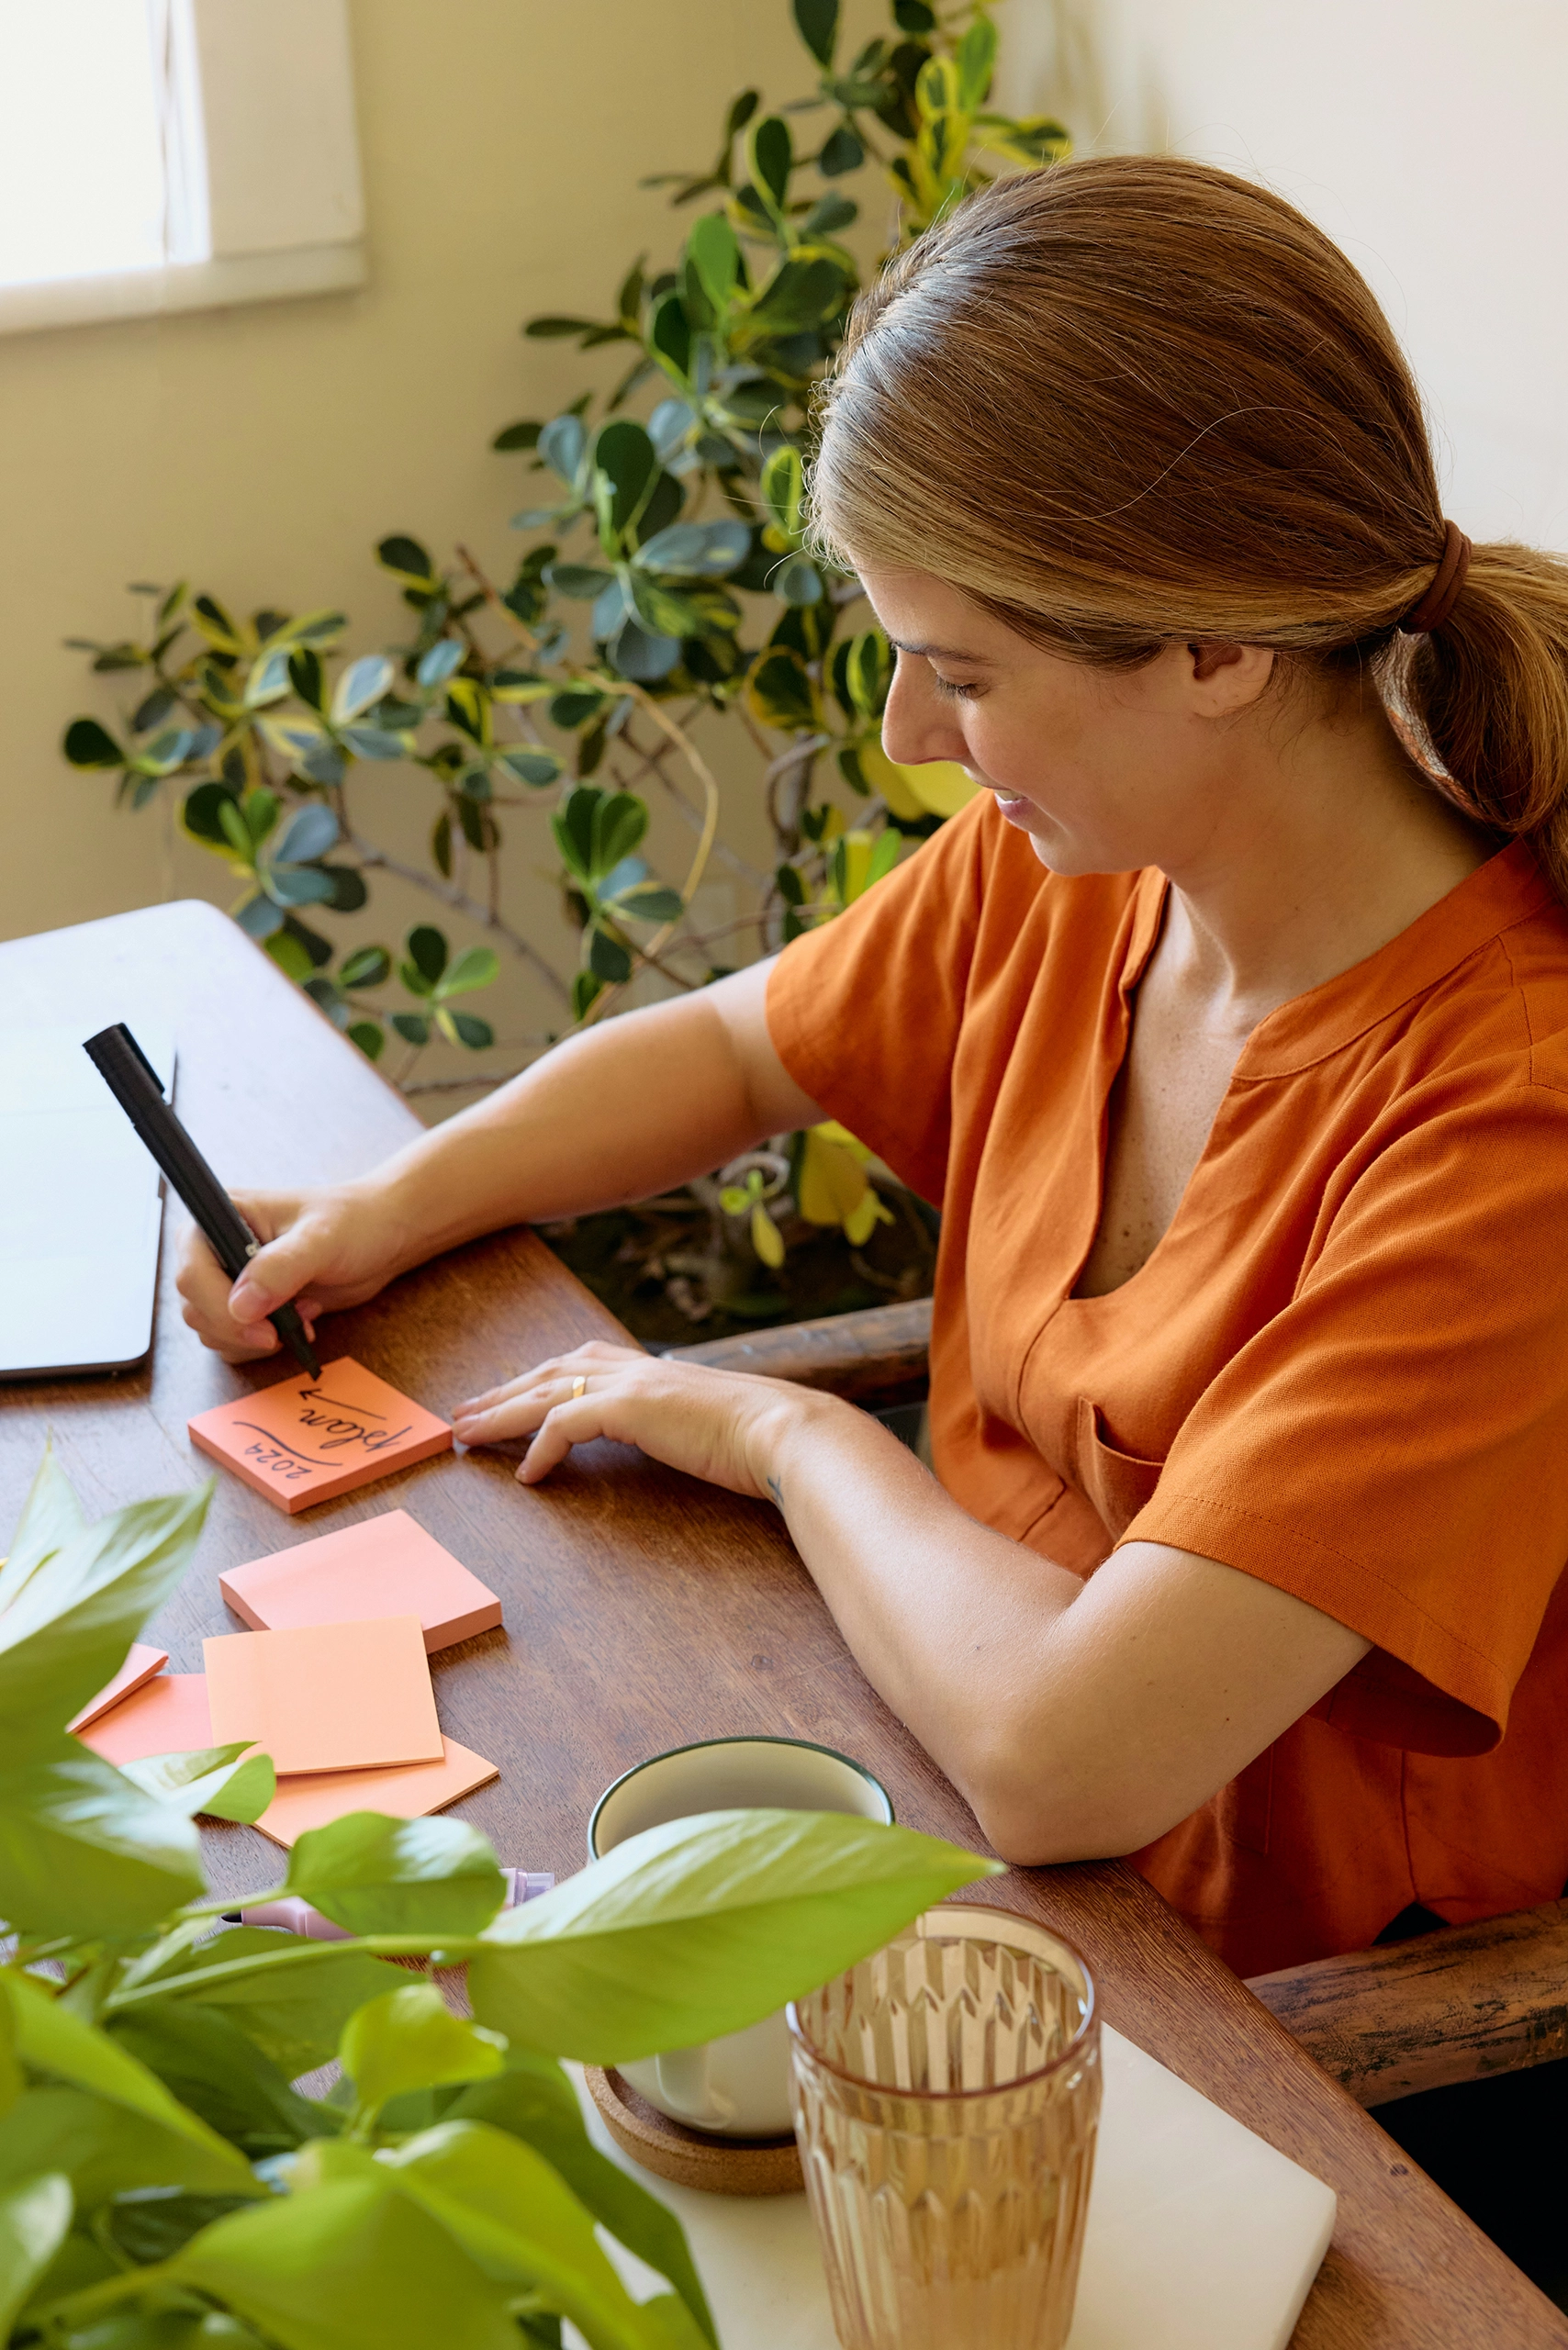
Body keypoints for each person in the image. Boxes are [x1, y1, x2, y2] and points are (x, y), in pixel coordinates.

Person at [178, 157, 1568, 1979]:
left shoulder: (1502, 1127)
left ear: (1217, 644)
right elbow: (736, 1044)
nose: (914, 735)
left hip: (1282, 2009)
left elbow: (1067, 1756)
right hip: (927, 1783)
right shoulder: (1086, 860)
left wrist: (775, 1426)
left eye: (959, 672)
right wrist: (392, 1198)